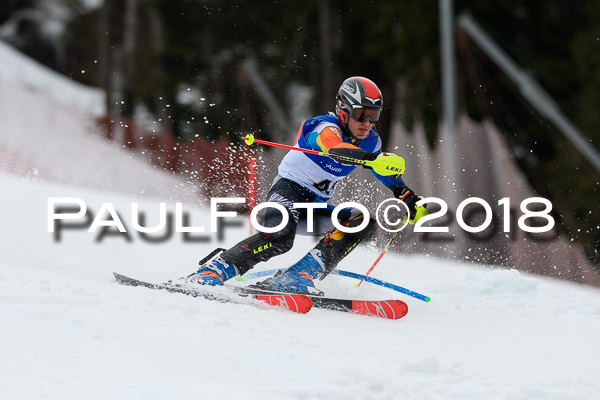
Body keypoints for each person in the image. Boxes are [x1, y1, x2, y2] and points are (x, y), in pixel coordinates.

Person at [186, 76, 428, 294]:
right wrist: (373, 159)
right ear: (343, 109)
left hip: (313, 208)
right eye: (361, 114)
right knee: (281, 238)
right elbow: (334, 148)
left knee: (360, 220)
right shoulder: (322, 126)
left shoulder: (371, 143)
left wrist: (404, 194)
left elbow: (385, 173)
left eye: (374, 116)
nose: (367, 123)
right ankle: (216, 270)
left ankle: (297, 276)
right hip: (287, 194)